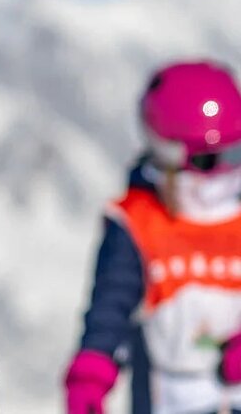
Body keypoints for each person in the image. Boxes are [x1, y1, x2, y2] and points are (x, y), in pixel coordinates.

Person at [65, 61, 241, 414]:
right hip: (167, 400)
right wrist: (90, 374)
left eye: (237, 152)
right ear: (170, 155)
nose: (226, 170)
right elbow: (112, 305)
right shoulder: (137, 220)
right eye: (208, 160)